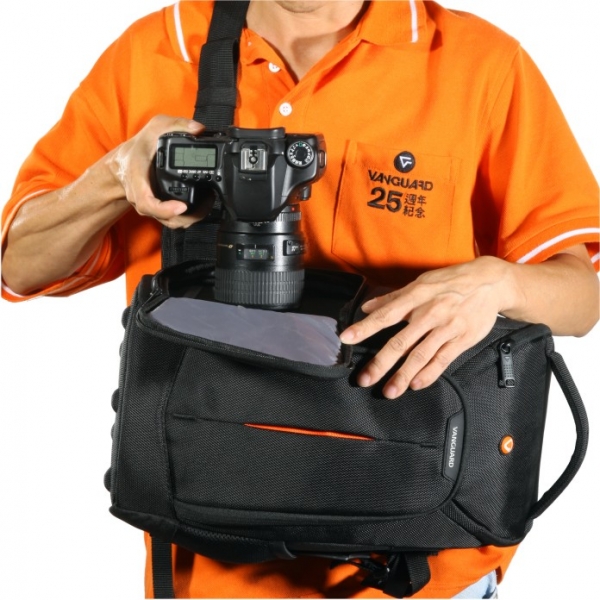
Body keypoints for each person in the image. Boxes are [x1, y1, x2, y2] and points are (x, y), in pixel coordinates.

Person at [1, 1, 598, 598]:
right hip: (207, 567)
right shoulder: (156, 50)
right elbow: (17, 266)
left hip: (419, 566)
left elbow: (583, 296)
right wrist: (114, 176)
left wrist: (499, 283)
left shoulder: (477, 64)